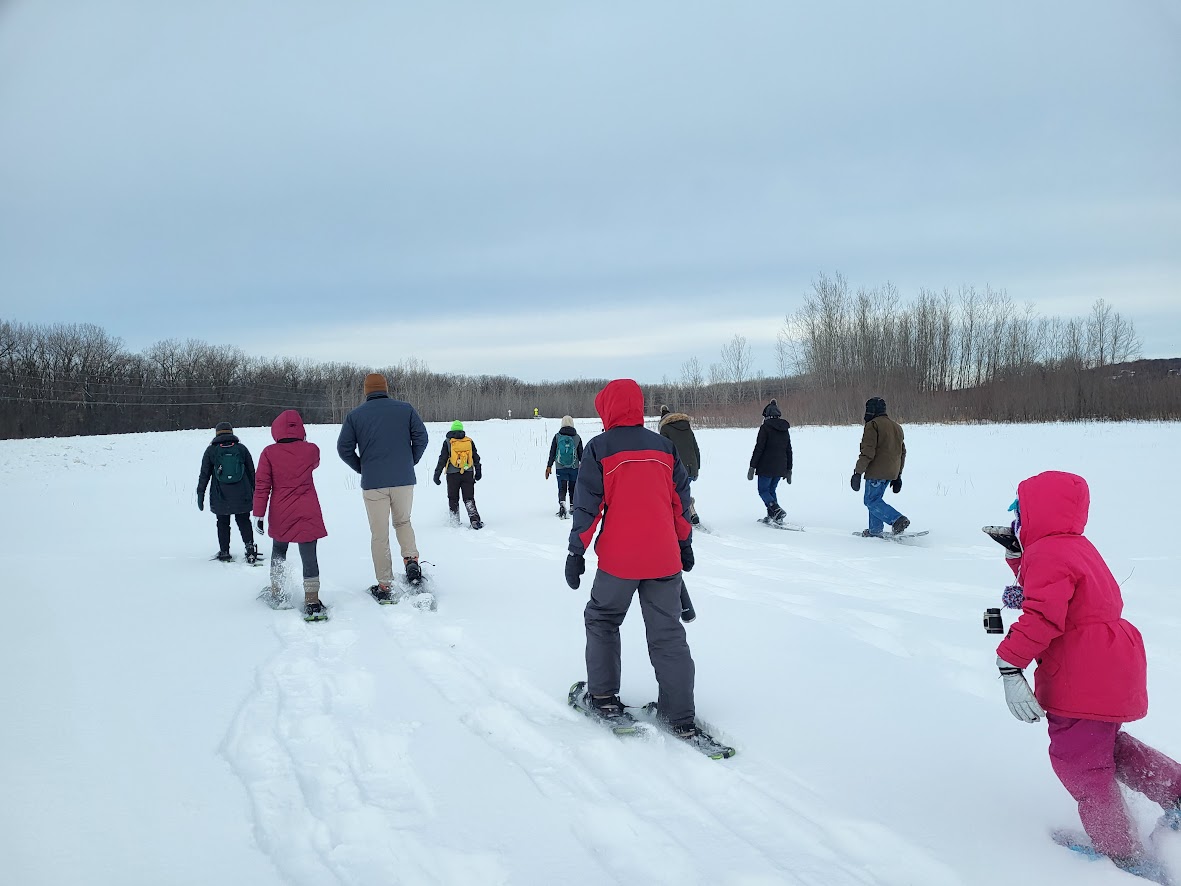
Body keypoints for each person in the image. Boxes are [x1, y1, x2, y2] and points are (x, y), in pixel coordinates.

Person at [990, 471, 1181, 881]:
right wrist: (1016, 555)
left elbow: (1042, 615)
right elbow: (1053, 590)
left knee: (1079, 762)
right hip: (1111, 664)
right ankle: (1177, 793)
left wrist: (1009, 664)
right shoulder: (1073, 547)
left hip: (1083, 672)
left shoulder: (1047, 556)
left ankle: (1122, 853)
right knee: (1107, 747)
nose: (1017, 521)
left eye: (1019, 513)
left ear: (1034, 513)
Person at [565, 379, 699, 738]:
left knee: (603, 619)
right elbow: (681, 505)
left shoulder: (598, 448)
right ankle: (679, 714)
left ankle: (604, 698)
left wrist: (576, 550)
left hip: (619, 562)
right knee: (668, 634)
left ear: (607, 408)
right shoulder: (665, 447)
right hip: (663, 559)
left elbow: (587, 507)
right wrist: (684, 545)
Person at [337, 373, 429, 596]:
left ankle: (385, 584)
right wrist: (410, 461)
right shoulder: (405, 409)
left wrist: (362, 467)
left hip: (374, 483)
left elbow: (343, 448)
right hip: (403, 479)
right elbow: (422, 437)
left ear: (366, 391)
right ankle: (411, 562)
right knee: (403, 522)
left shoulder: (355, 416)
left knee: (379, 534)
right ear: (385, 388)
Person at [253, 410, 328, 619]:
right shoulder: (311, 450)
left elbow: (262, 485)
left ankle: (278, 593)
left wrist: (258, 513)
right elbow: (315, 463)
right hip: (307, 510)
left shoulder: (268, 453)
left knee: (279, 550)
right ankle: (312, 601)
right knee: (309, 554)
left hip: (281, 510)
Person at [197, 421, 259, 563]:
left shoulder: (211, 451)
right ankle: (249, 547)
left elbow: (204, 474)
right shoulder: (241, 449)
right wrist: (257, 491)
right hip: (242, 494)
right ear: (231, 432)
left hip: (220, 495)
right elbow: (251, 472)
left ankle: (224, 551)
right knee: (243, 520)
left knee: (223, 521)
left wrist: (200, 493)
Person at [849, 396, 909, 537]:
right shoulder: (897, 427)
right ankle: (875, 531)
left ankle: (897, 519)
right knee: (876, 500)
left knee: (870, 501)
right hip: (891, 472)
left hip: (876, 471)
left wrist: (857, 473)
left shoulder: (873, 425)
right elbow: (902, 452)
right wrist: (898, 475)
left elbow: (867, 451)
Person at [746, 399, 792, 523]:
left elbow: (759, 448)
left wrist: (752, 466)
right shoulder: (784, 429)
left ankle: (775, 510)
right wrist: (789, 469)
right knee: (771, 490)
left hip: (766, 466)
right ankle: (773, 515)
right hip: (780, 466)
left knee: (763, 490)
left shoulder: (765, 428)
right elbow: (789, 450)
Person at [433, 420, 483, 529]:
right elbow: (476, 457)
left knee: (453, 498)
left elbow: (442, 459)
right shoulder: (469, 441)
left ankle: (455, 521)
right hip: (468, 473)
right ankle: (475, 521)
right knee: (469, 498)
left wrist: (437, 474)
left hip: (452, 475)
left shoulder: (448, 442)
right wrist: (478, 471)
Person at [659, 405, 702, 524]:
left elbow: (664, 451)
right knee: (683, 491)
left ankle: (687, 515)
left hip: (676, 468)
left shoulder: (665, 429)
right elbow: (695, 447)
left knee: (676, 494)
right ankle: (690, 513)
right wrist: (696, 467)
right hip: (691, 467)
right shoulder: (686, 427)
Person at [545, 416, 583, 519]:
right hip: (574, 467)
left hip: (560, 467)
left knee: (562, 487)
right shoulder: (577, 437)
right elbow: (581, 455)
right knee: (573, 487)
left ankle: (562, 504)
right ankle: (572, 506)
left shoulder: (557, 437)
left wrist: (549, 466)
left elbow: (552, 453)